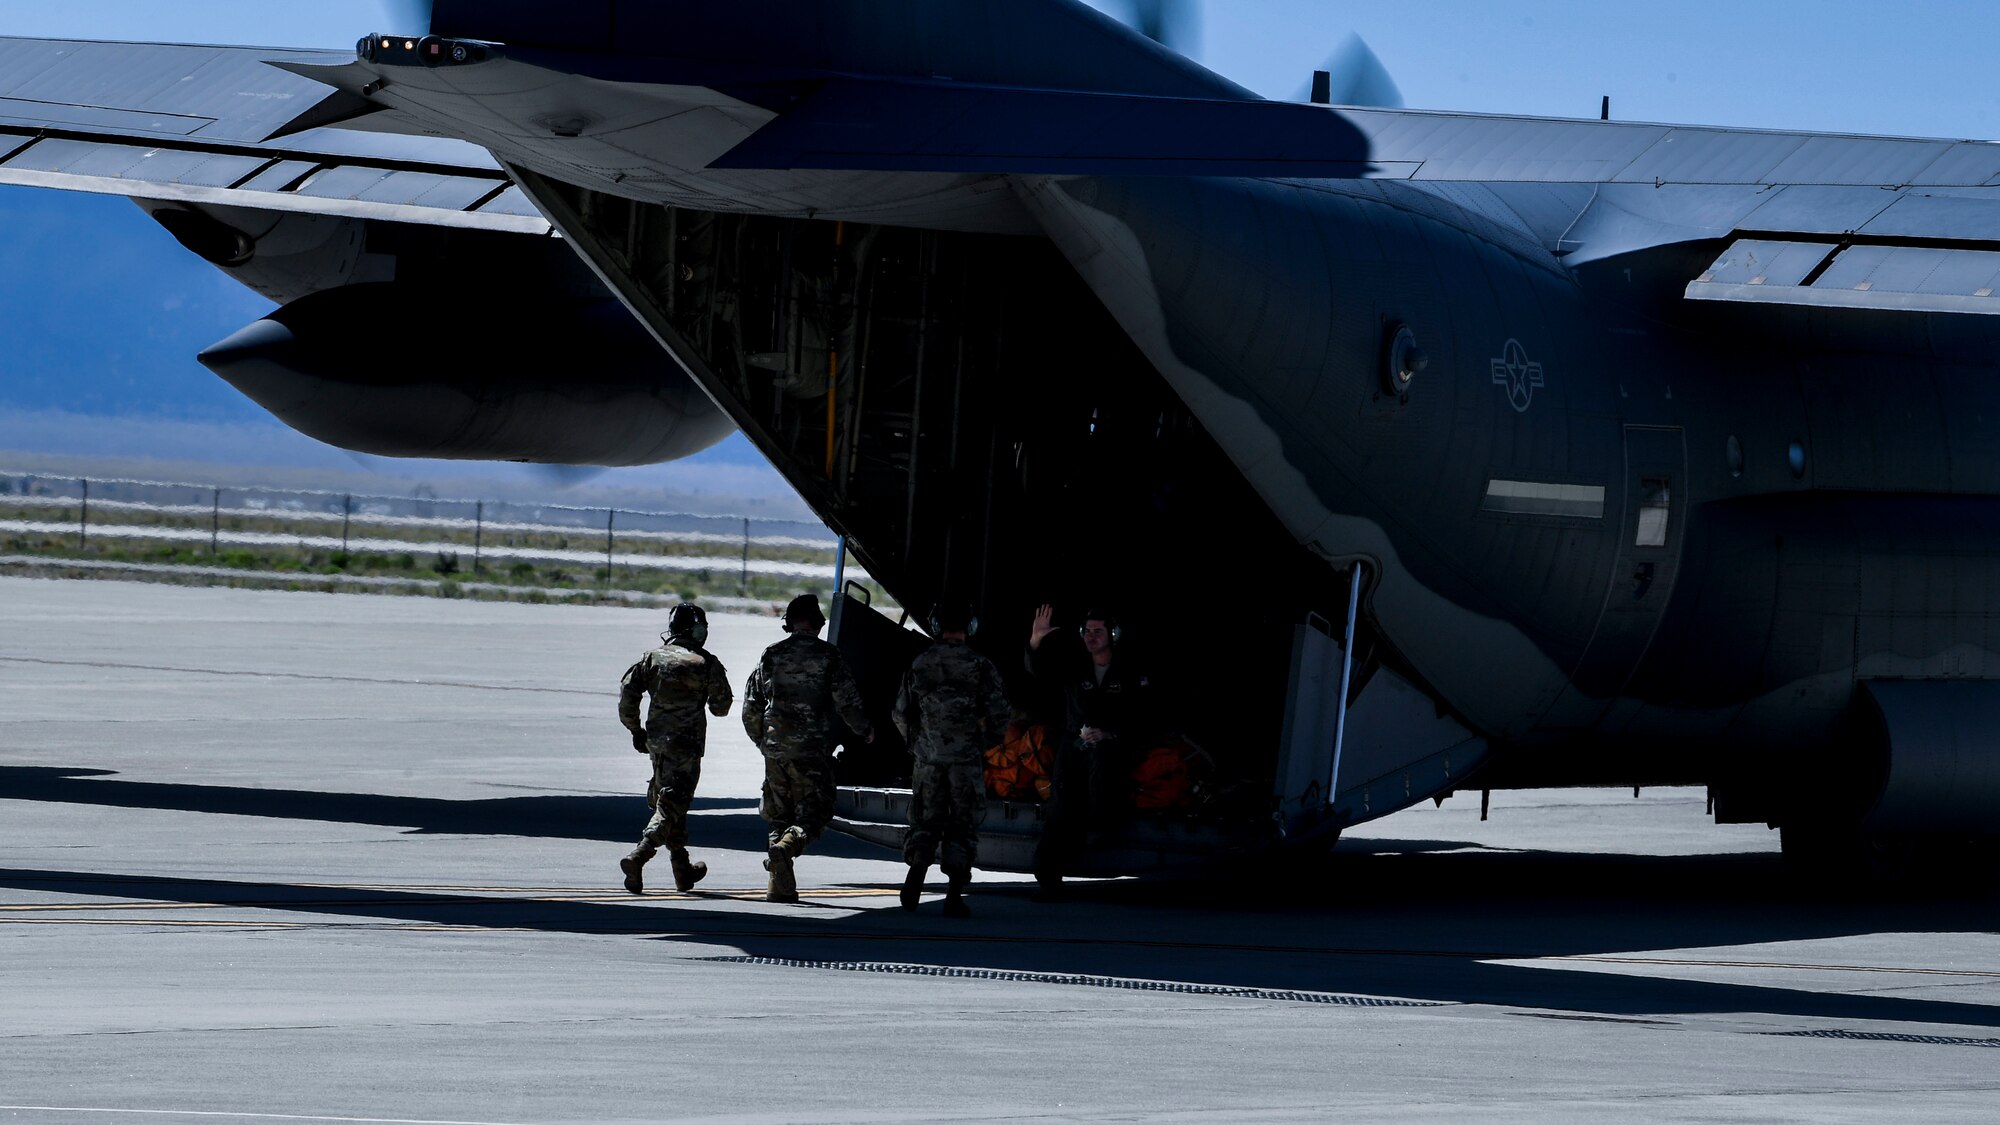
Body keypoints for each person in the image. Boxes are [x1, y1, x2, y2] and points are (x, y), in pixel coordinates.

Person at [743, 593, 874, 903]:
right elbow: (847, 701)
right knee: (815, 814)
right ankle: (786, 848)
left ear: (789, 623)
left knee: (778, 815)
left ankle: (779, 886)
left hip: (776, 748)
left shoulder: (772, 654)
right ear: (817, 623)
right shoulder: (829, 656)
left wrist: (762, 741)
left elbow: (751, 704)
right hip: (812, 749)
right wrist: (865, 730)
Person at [1025, 604, 1153, 899]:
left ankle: (1099, 827)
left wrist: (1111, 733)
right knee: (1060, 803)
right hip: (1077, 743)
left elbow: (1145, 716)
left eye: (1098, 631)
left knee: (1104, 762)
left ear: (1113, 634)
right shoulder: (1075, 667)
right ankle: (1048, 877)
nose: (1091, 637)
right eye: (1087, 632)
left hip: (1115, 744)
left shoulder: (1130, 671)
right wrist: (1036, 641)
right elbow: (1038, 671)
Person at [893, 603, 1011, 918]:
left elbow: (900, 712)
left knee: (926, 818)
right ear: (969, 627)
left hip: (928, 758)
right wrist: (985, 744)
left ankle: (919, 863)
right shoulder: (979, 665)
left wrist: (917, 745)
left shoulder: (921, 663)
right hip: (965, 759)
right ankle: (954, 895)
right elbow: (1000, 713)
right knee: (962, 824)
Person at [618, 603, 733, 895]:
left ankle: (683, 870)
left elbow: (628, 695)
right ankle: (639, 856)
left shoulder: (652, 658)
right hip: (687, 744)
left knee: (671, 802)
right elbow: (721, 708)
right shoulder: (705, 662)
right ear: (696, 630)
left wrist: (636, 730)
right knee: (672, 805)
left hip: (656, 743)